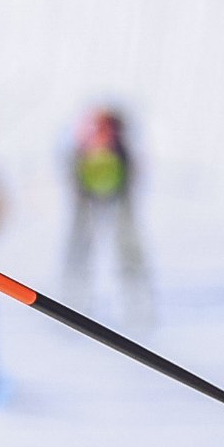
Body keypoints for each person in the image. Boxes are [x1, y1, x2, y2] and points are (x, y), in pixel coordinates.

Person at [65, 103, 148, 322]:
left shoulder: (117, 146)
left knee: (126, 246)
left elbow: (131, 173)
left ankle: (136, 305)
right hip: (90, 198)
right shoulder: (88, 144)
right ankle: (75, 302)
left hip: (116, 197)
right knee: (82, 246)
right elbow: (75, 170)